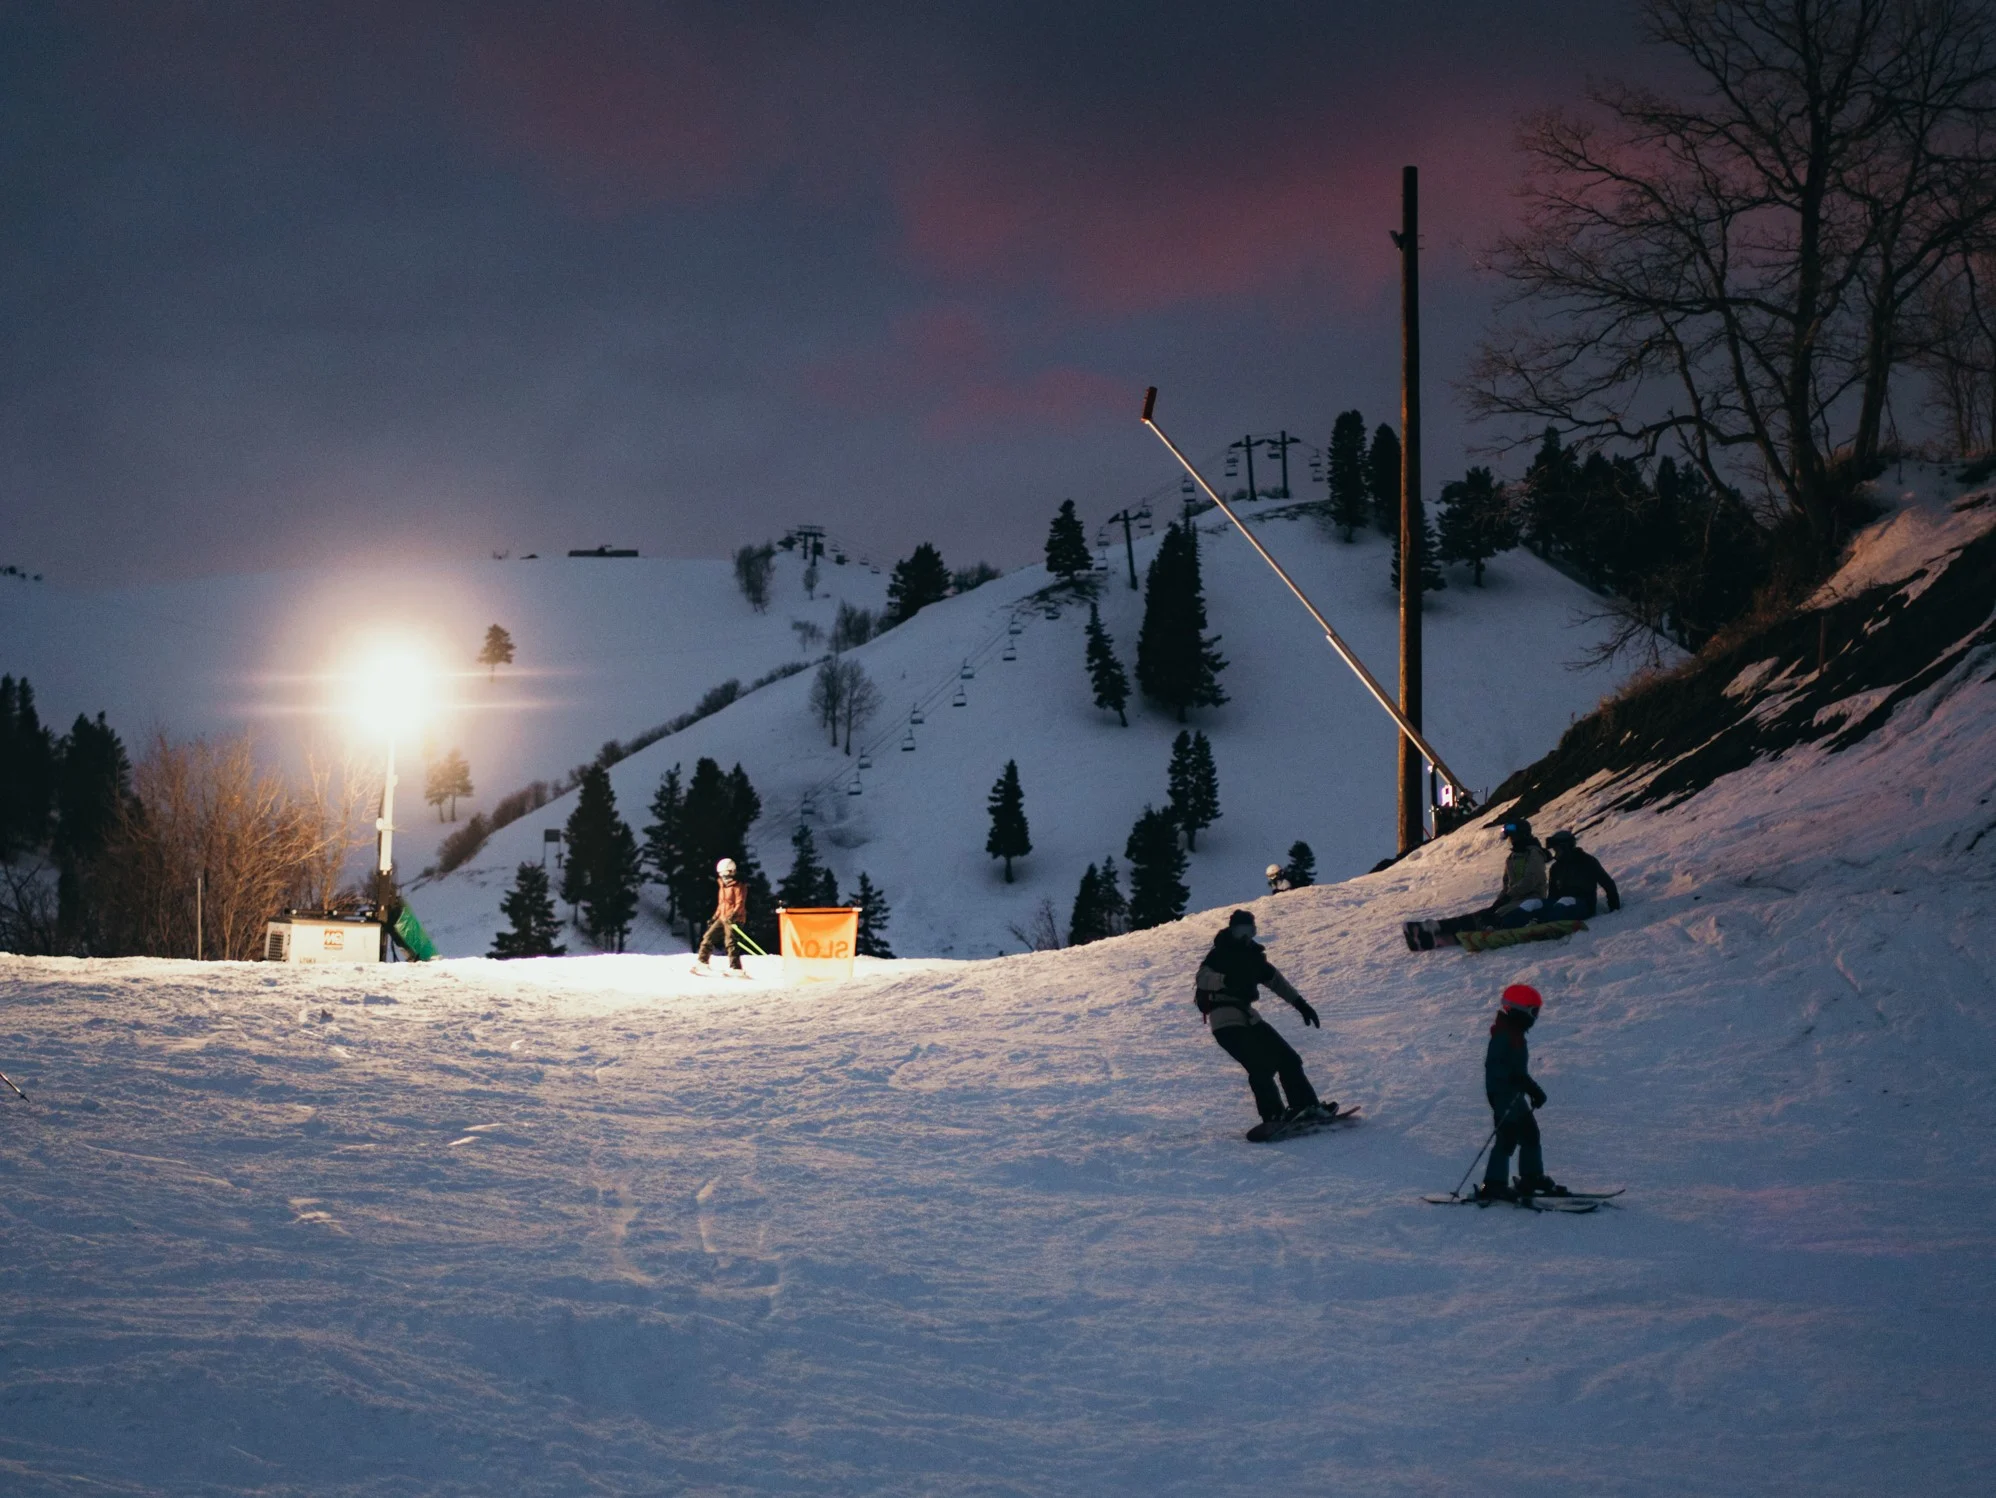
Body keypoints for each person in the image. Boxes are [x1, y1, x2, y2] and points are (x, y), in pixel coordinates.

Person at [1195, 909, 1332, 1138]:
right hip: (1225, 1019)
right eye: (1240, 930)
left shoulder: (1253, 956)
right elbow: (1202, 977)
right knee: (1259, 1065)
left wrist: (1300, 1004)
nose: (1245, 936)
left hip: (1249, 1016)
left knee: (1288, 1058)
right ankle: (1273, 1116)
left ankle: (1305, 1106)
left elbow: (1275, 981)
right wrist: (1225, 980)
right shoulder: (1220, 953)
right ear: (1232, 930)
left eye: (1250, 931)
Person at [1407, 820, 1552, 948]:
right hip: (1514, 898)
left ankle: (1482, 929)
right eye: (1509, 837)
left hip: (1532, 899)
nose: (1511, 840)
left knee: (1496, 916)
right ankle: (1436, 929)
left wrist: (1508, 897)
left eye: (1513, 836)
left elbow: (1531, 880)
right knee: (1486, 913)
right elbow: (1507, 884)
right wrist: (1500, 900)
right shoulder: (1512, 857)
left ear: (1522, 835)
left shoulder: (1534, 854)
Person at [1479, 983, 1563, 1200]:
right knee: (1506, 1138)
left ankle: (1531, 1177)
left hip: (1515, 1096)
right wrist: (1521, 1085)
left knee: (1530, 1134)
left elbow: (1518, 1072)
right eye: (1534, 1012)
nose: (1535, 1017)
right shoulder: (1503, 1036)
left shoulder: (1515, 1034)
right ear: (1519, 1011)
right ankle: (1494, 1183)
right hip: (1503, 1096)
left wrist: (1531, 1089)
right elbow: (1498, 1068)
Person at [1545, 830, 1620, 918]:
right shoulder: (1556, 867)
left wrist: (1614, 907)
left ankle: (1550, 922)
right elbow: (1553, 894)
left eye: (1557, 849)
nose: (1555, 853)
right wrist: (1547, 907)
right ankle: (1533, 925)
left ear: (1566, 847)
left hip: (1584, 905)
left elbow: (1608, 883)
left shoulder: (1587, 861)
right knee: (1532, 905)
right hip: (1561, 905)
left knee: (1563, 903)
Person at [696, 856, 747, 970]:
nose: (724, 877)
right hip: (723, 917)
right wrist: (715, 917)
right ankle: (702, 962)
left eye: (726, 874)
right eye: (721, 874)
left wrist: (733, 916)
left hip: (735, 918)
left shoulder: (738, 886)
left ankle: (735, 968)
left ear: (732, 871)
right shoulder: (722, 886)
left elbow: (740, 903)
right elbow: (721, 904)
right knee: (708, 937)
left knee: (730, 942)